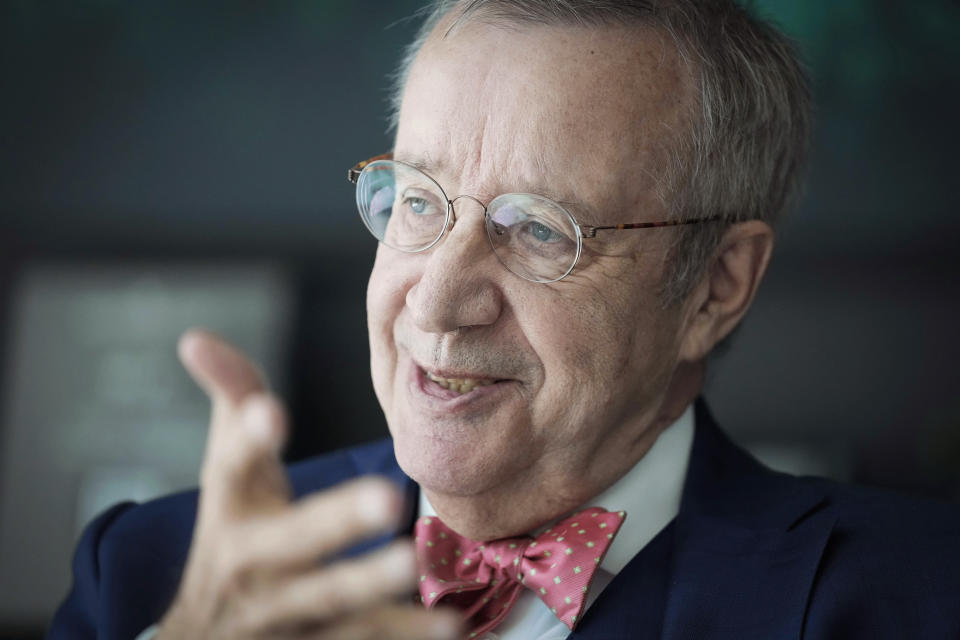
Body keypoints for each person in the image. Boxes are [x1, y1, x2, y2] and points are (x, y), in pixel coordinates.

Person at [50, 1, 960, 639]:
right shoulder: (148, 574)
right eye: (416, 200)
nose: (438, 301)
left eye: (538, 229)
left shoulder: (918, 600)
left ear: (716, 286)